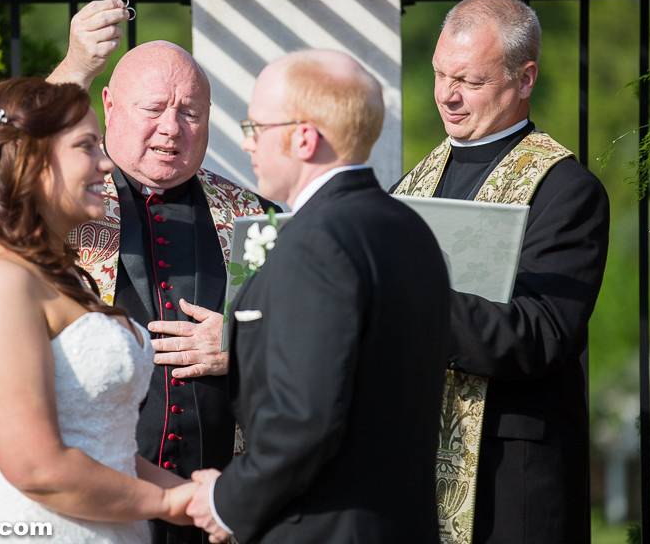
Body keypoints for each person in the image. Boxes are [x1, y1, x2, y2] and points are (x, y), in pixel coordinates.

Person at [186, 49, 451, 543]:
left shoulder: (314, 243)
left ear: (303, 137)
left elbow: (304, 416)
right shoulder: (410, 228)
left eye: (256, 128)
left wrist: (227, 501)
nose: (248, 146)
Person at [47, 0, 278, 544]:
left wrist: (244, 343)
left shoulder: (253, 218)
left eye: (190, 113)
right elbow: (7, 159)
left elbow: (305, 343)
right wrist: (76, 65)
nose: (171, 129)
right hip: (96, 493)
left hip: (215, 504)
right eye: (154, 109)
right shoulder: (62, 200)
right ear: (109, 104)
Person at [0, 77, 196, 542]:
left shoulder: (61, 276)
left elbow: (108, 450)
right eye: (86, 146)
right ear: (31, 161)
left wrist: (202, 498)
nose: (105, 163)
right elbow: (37, 467)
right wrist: (166, 503)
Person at [393, 0, 609, 544]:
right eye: (440, 74)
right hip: (411, 475)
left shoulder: (566, 192)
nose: (448, 96)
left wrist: (416, 300)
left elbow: (541, 335)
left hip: (509, 483)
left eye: (470, 80)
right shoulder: (411, 185)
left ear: (525, 77)